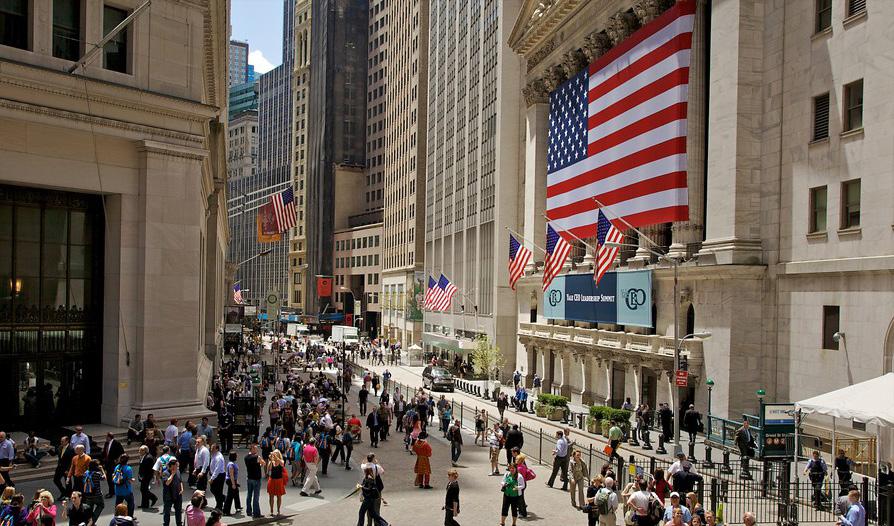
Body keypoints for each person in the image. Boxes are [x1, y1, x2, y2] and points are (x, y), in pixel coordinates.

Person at [82, 459, 105, 524]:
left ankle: (88, 522)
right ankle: (92, 521)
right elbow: (104, 478)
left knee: (89, 509)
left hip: (88, 495)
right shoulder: (97, 474)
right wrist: (102, 469)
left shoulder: (85, 473)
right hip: (97, 495)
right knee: (101, 506)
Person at [243, 444, 263, 519]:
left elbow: (255, 465)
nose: (257, 450)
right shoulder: (256, 457)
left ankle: (248, 511)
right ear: (252, 449)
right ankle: (256, 513)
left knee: (249, 495)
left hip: (249, 478)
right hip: (256, 479)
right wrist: (260, 460)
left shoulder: (246, 457)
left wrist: (259, 464)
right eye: (256, 449)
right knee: (256, 496)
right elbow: (263, 463)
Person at [161, 459, 183, 526]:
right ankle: (166, 524)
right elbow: (167, 483)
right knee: (167, 512)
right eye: (176, 465)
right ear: (172, 466)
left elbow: (180, 481)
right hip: (168, 496)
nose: (178, 467)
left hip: (178, 494)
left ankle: (179, 523)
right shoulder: (165, 473)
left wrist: (182, 489)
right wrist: (172, 474)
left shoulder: (178, 471)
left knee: (178, 511)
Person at [515, 454, 535, 519]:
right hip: (523, 483)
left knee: (520, 499)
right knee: (520, 498)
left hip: (520, 484)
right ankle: (522, 511)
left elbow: (516, 477)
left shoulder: (519, 468)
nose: (515, 460)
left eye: (517, 459)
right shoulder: (523, 466)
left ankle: (522, 512)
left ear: (520, 460)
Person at [266, 450, 286, 514]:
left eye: (276, 453)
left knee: (279, 496)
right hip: (272, 480)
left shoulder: (281, 461)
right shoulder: (271, 461)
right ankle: (271, 510)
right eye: (274, 453)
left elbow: (282, 464)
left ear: (279, 454)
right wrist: (271, 460)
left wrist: (276, 457)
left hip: (279, 481)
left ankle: (278, 510)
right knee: (271, 496)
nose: (275, 454)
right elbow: (268, 470)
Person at [137, 445, 157, 510]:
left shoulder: (148, 458)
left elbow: (149, 469)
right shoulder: (144, 456)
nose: (139, 451)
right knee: (143, 490)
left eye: (140, 450)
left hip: (147, 476)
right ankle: (144, 504)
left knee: (143, 489)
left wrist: (143, 476)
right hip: (144, 476)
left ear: (144, 451)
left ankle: (153, 498)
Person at [207, 444, 226, 511]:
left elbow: (217, 469)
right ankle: (223, 499)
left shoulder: (219, 457)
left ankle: (219, 506)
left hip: (219, 476)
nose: (211, 449)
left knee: (217, 491)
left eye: (213, 448)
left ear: (217, 449)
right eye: (211, 448)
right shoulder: (213, 455)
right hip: (215, 475)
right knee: (214, 490)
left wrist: (212, 478)